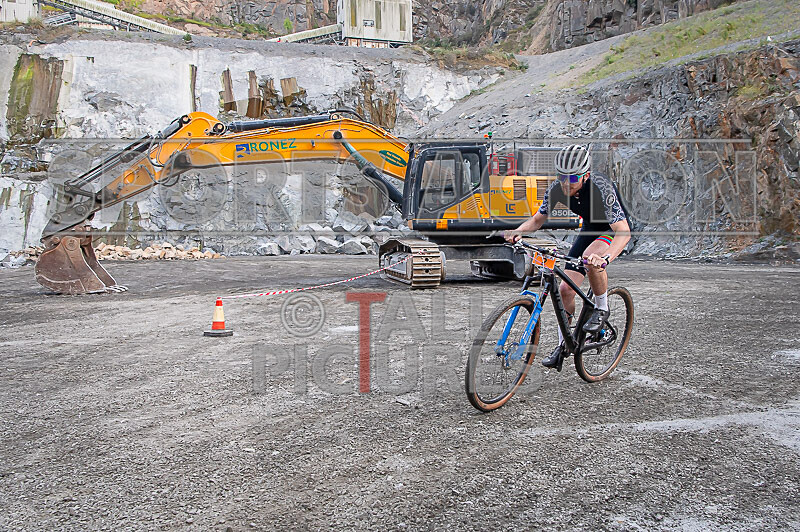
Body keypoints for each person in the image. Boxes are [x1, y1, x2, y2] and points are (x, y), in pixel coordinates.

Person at [504, 144, 631, 369]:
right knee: (565, 290)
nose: (566, 182)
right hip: (590, 228)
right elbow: (537, 220)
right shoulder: (556, 188)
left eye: (573, 178)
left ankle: (602, 308)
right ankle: (564, 346)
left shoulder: (601, 187)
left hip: (611, 227)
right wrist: (518, 231)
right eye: (561, 176)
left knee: (591, 257)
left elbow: (623, 231)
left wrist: (606, 258)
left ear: (586, 176)